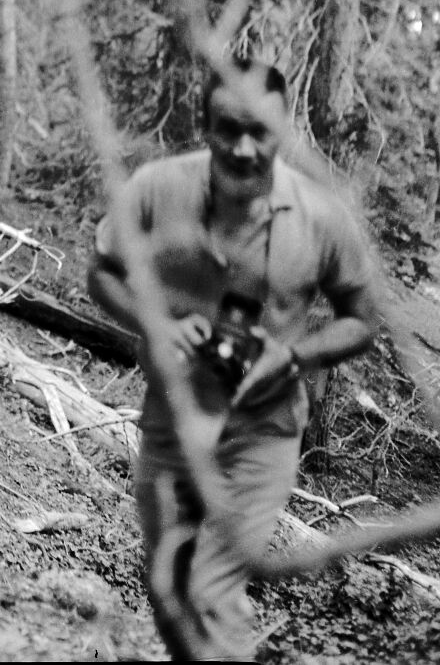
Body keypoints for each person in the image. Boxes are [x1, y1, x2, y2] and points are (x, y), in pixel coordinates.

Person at [88, 58, 381, 660]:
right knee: (169, 587)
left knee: (210, 588)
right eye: (228, 129)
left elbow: (362, 320)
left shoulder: (322, 217)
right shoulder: (157, 189)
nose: (244, 149)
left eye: (261, 133)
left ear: (283, 132)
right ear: (205, 124)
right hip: (173, 420)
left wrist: (294, 353)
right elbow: (104, 272)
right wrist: (157, 323)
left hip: (263, 430)